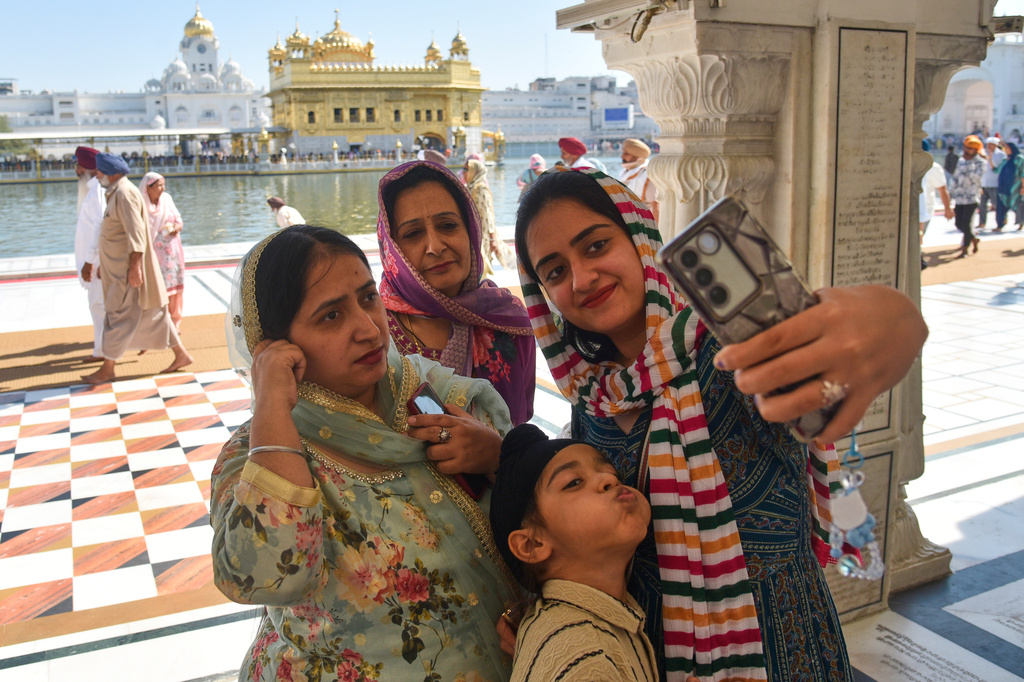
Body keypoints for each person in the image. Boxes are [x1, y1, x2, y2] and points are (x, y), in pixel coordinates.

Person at [513, 167, 929, 681]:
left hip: (779, 643)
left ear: (639, 239)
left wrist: (894, 320)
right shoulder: (592, 401)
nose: (581, 278)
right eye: (554, 272)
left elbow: (858, 336)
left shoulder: (729, 354)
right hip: (650, 650)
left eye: (596, 246)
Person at [211, 225, 517, 681]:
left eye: (368, 297)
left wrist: (499, 459)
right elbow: (263, 576)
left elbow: (538, 526)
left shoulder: (440, 396)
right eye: (331, 316)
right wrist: (272, 403)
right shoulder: (255, 454)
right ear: (276, 345)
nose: (368, 327)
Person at [491, 423, 659, 682]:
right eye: (574, 482)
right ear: (532, 544)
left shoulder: (598, 628)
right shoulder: (586, 660)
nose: (609, 480)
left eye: (614, 473)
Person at [377, 160, 537, 426]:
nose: (435, 246)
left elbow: (522, 421)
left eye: (448, 225)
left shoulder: (508, 320)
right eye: (414, 233)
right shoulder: (375, 330)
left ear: (471, 230)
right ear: (391, 248)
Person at [83, 153, 192, 385]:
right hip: (118, 269)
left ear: (111, 173)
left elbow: (136, 234)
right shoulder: (118, 192)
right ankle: (181, 354)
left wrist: (135, 268)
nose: (97, 175)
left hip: (127, 272)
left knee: (117, 316)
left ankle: (108, 368)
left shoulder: (123, 194)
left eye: (100, 171)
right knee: (153, 314)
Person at [139, 172, 185, 331]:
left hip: (171, 252)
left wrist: (176, 227)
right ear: (148, 188)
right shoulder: (141, 204)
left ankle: (174, 322)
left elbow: (178, 219)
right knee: (156, 287)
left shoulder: (167, 199)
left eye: (163, 184)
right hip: (152, 253)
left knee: (174, 285)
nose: (162, 188)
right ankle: (158, 323)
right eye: (158, 185)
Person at [73, 146, 107, 362]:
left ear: (88, 168)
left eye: (78, 165)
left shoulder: (97, 191)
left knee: (99, 305)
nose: (76, 170)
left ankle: (103, 353)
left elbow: (101, 227)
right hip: (93, 262)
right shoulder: (92, 189)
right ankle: (102, 350)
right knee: (98, 306)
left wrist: (92, 262)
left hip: (96, 263)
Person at [464, 157, 509, 272]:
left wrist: (491, 238)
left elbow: (488, 215)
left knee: (483, 264)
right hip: (473, 231)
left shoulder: (480, 189)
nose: (463, 173)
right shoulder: (469, 187)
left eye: (466, 170)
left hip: (482, 233)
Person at [949, 135, 987, 258]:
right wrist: (950, 193)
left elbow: (976, 178)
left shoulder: (981, 162)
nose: (966, 150)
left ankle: (965, 248)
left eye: (970, 148)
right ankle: (973, 238)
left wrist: (970, 164)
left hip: (972, 197)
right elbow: (955, 177)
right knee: (958, 224)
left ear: (976, 150)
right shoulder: (961, 160)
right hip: (960, 197)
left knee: (966, 223)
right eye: (966, 147)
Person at [919, 141, 954, 269]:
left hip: (924, 212)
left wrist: (947, 208)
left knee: (916, 241)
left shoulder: (932, 168)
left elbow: (942, 190)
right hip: (919, 213)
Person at [618, 138, 660, 222]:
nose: (622, 156)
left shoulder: (647, 175)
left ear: (637, 157)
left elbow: (655, 206)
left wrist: (654, 233)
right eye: (623, 153)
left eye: (626, 154)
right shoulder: (625, 173)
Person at [996, 141, 1024, 232]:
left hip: (1015, 187)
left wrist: (1023, 187)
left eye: (1007, 148)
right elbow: (998, 171)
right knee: (1001, 206)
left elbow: (1022, 173)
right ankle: (1000, 224)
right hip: (1003, 186)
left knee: (1017, 206)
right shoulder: (1005, 160)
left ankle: (1020, 223)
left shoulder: (1019, 159)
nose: (1006, 150)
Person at [979, 136, 1005, 230]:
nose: (989, 147)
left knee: (996, 205)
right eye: (988, 145)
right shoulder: (983, 154)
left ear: (995, 145)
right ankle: (982, 223)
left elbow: (999, 170)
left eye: (991, 145)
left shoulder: (1001, 155)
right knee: (982, 205)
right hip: (984, 183)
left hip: (995, 184)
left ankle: (1000, 223)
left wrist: (990, 159)